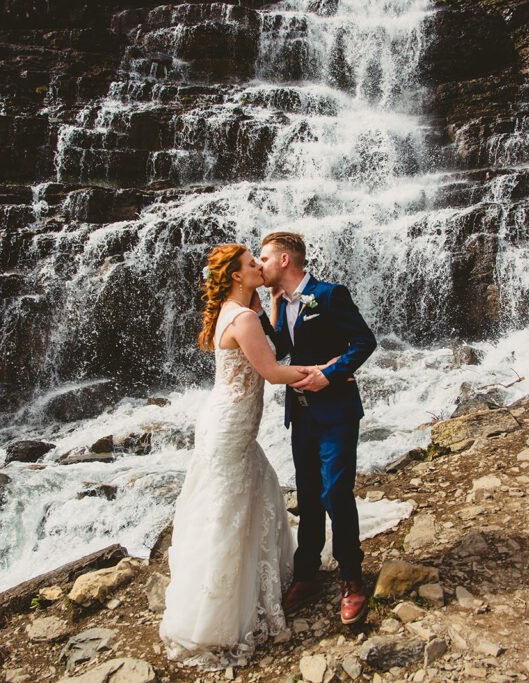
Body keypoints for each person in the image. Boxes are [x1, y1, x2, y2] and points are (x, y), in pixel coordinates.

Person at [159, 244, 312, 669]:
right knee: (227, 508)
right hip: (230, 427)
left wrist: (274, 313)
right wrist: (327, 370)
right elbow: (273, 371)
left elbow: (266, 351)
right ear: (235, 276)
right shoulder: (243, 318)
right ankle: (218, 617)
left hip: (226, 422)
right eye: (251, 264)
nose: (259, 267)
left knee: (243, 495)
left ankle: (242, 588)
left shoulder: (234, 311)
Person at [257, 231, 377, 625]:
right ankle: (307, 574)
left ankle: (351, 578)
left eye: (264, 258)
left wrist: (331, 374)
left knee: (336, 492)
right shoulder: (282, 301)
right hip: (302, 415)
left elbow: (364, 342)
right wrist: (266, 311)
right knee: (308, 496)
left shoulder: (328, 295)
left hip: (336, 411)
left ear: (285, 261)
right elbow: (280, 349)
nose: (260, 265)